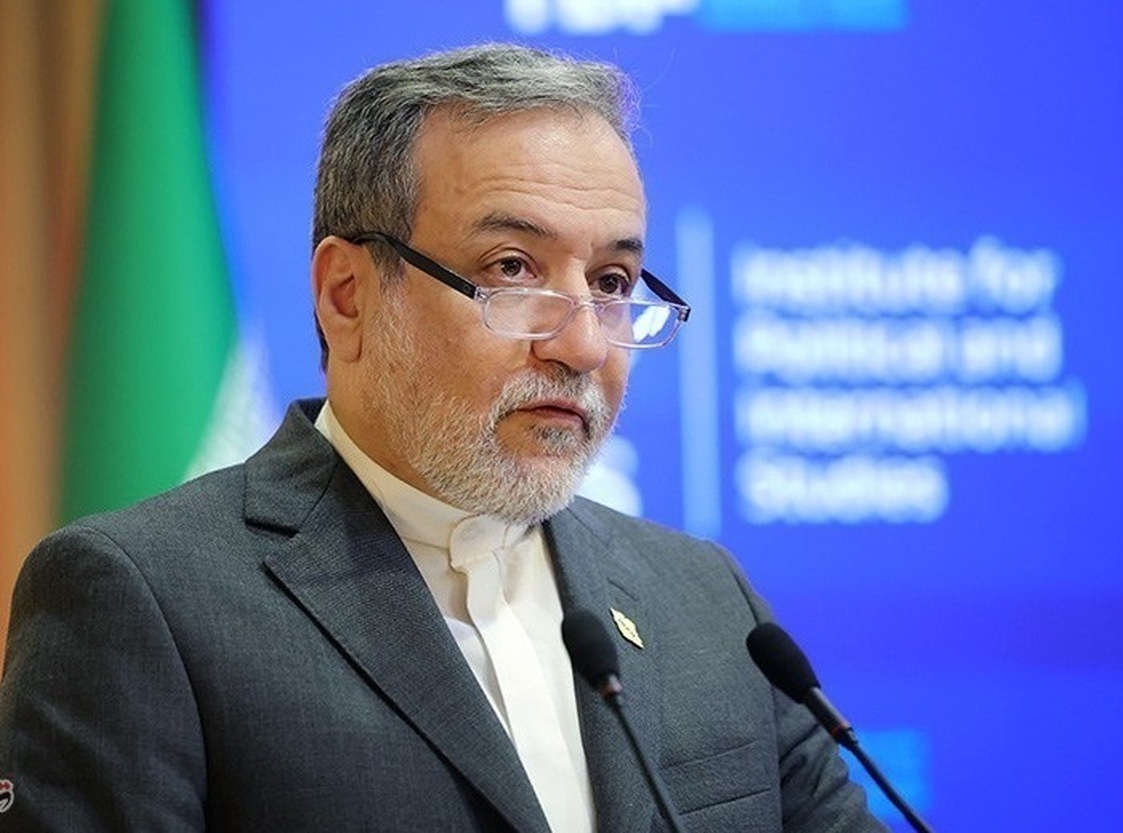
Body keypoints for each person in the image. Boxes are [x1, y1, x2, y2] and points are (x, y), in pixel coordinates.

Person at [0, 44, 886, 831]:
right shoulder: (142, 599)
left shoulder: (708, 600)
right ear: (348, 295)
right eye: (513, 269)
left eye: (613, 280)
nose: (582, 344)